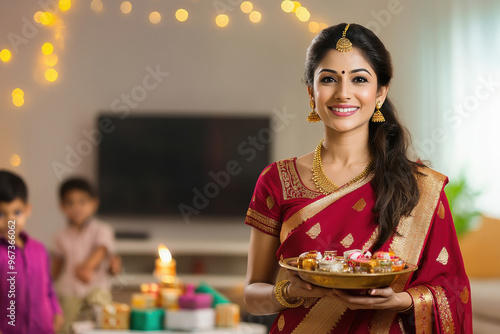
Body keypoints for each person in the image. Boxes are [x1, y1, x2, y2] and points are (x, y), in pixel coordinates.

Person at [243, 23, 472, 333]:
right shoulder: (277, 180)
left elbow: (452, 292)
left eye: (359, 79)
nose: (343, 93)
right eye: (328, 79)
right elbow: (253, 296)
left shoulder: (418, 185)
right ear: (311, 92)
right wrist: (289, 292)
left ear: (380, 92)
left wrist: (401, 301)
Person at [51, 177, 120, 331]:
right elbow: (57, 264)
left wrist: (85, 267)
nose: (77, 207)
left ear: (94, 203)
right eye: (70, 202)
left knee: (104, 317)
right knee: (64, 322)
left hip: (96, 285)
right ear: (62, 206)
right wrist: (46, 285)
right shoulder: (59, 236)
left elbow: (101, 250)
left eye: (82, 202)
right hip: (70, 288)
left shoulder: (102, 230)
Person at [0, 170, 64, 334]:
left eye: (17, 212)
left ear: (28, 209)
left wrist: (56, 310)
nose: (10, 220)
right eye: (1, 213)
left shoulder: (39, 250)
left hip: (43, 328)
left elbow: (48, 285)